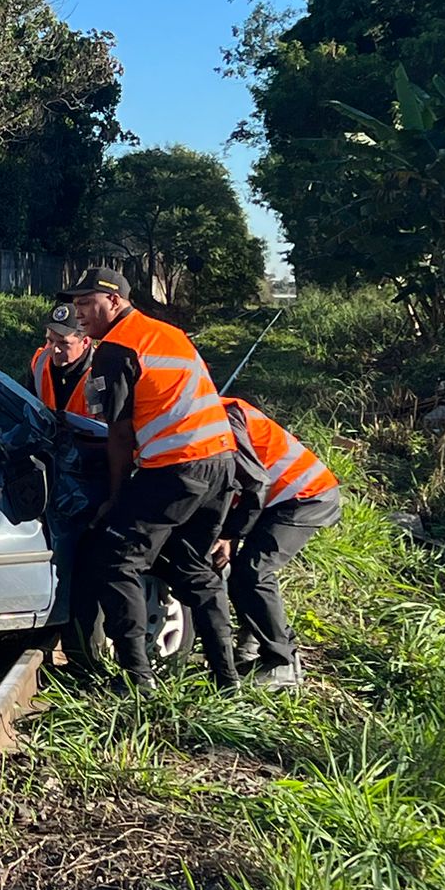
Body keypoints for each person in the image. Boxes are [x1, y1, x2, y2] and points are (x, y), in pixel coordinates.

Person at [63, 267, 240, 693]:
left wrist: (116, 497)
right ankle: (227, 679)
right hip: (221, 463)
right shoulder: (168, 333)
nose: (80, 312)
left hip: (178, 467)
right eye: (77, 304)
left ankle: (137, 681)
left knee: (117, 557)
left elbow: (119, 432)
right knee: (194, 568)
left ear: (115, 301)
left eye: (88, 303)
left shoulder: (117, 348)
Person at [216, 396, 341, 688]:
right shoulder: (207, 413)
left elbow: (254, 481)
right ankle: (252, 646)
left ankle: (282, 662)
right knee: (241, 571)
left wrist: (231, 534)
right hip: (274, 498)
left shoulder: (222, 418)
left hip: (305, 495)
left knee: (254, 572)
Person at [28, 302, 92, 422]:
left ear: (85, 342)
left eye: (64, 343)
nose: (55, 349)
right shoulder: (39, 362)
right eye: (50, 340)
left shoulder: (102, 372)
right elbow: (26, 408)